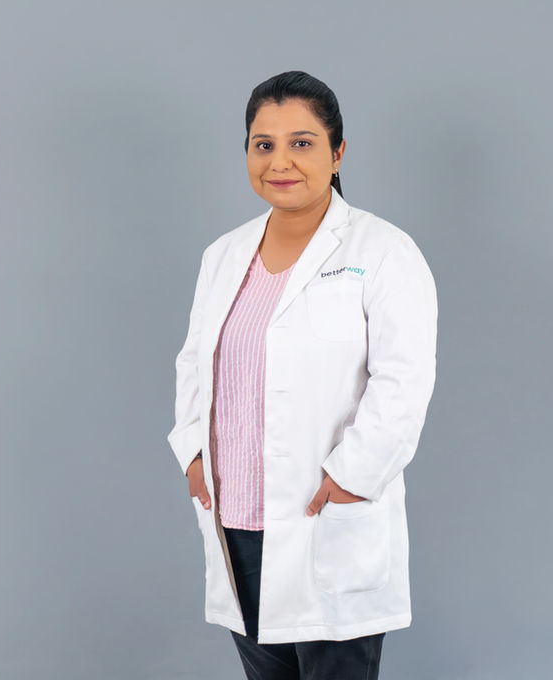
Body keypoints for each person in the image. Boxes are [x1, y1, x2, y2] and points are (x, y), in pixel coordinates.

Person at [166, 70, 438, 680]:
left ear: (337, 153)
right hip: (238, 520)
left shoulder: (382, 251)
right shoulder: (224, 255)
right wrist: (192, 453)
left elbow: (403, 382)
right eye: (263, 144)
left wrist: (351, 479)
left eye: (302, 143)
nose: (280, 162)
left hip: (325, 519)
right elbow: (194, 362)